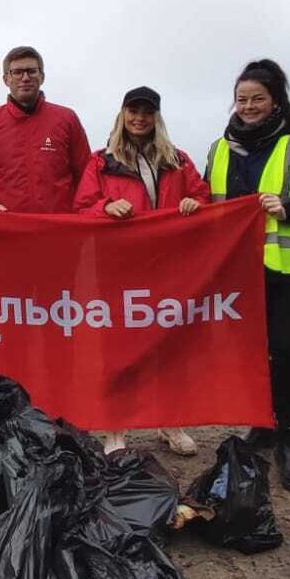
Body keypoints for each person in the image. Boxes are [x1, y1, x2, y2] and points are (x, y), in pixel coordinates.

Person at [203, 59, 290, 492]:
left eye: (257, 99)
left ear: (275, 100)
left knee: (285, 352)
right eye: (242, 99)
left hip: (283, 270)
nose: (248, 106)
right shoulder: (220, 149)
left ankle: (288, 439)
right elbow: (206, 201)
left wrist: (289, 209)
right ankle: (261, 425)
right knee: (251, 355)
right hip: (235, 273)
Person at [74, 85, 211, 457]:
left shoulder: (178, 159)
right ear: (122, 114)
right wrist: (105, 207)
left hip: (168, 268)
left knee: (168, 346)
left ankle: (169, 422)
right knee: (118, 348)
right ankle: (115, 429)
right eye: (133, 111)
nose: (139, 118)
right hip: (119, 269)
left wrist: (193, 202)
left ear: (156, 117)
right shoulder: (101, 161)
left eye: (147, 112)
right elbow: (82, 206)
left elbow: (203, 196)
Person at [0, 45, 92, 215]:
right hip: (7, 232)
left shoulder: (67, 119)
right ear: (6, 79)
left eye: (31, 71)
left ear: (42, 76)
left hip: (61, 231)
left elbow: (87, 177)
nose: (25, 78)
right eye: (17, 72)